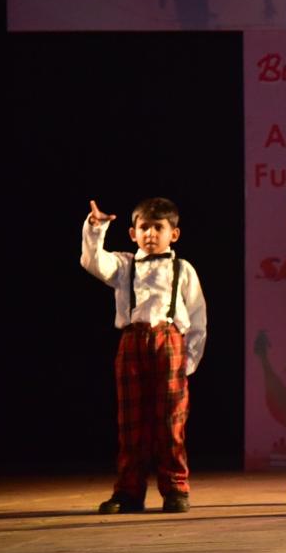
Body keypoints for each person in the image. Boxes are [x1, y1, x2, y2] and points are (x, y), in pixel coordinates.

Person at [80, 198, 207, 514]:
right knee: (131, 422)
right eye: (144, 227)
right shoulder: (124, 266)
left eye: (158, 227)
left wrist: (189, 360)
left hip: (169, 343)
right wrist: (95, 228)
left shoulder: (183, 269)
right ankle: (128, 492)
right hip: (133, 342)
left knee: (171, 421)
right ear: (132, 233)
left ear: (173, 234)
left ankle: (175, 488)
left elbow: (197, 316)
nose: (151, 234)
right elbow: (93, 261)